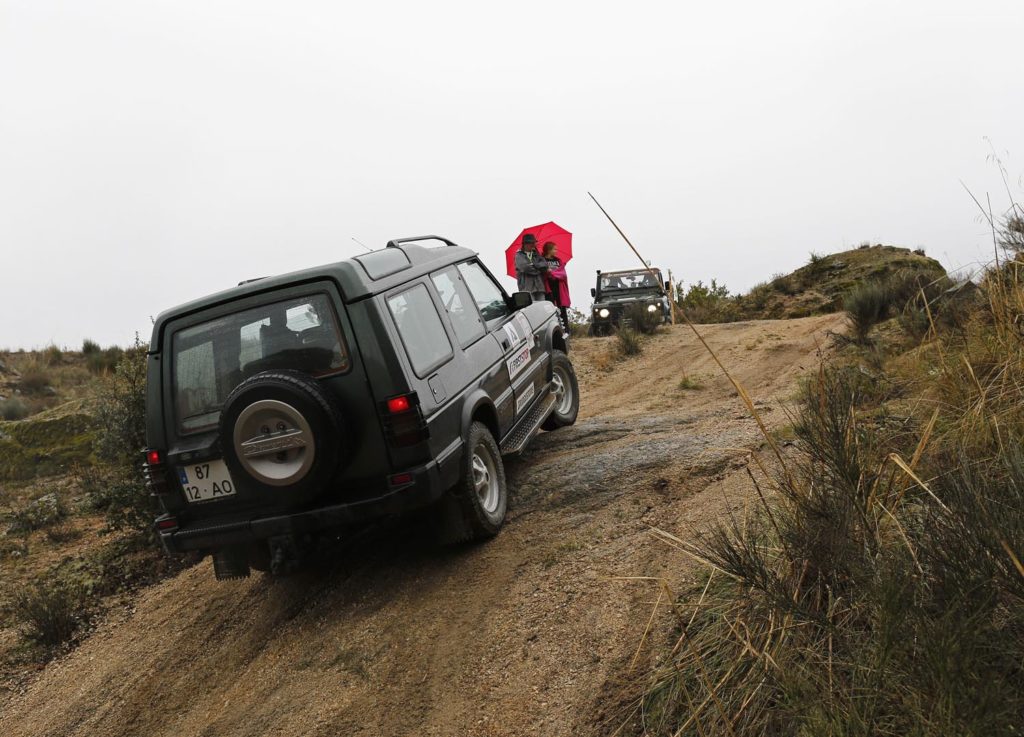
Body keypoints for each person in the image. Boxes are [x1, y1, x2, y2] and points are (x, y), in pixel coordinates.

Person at [542, 241, 571, 331]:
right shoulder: (542, 260)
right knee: (551, 308)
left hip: (559, 288)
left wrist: (552, 273)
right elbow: (542, 274)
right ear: (549, 250)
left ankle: (566, 330)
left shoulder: (558, 260)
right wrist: (548, 273)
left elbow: (563, 274)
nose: (556, 251)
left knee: (562, 308)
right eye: (554, 249)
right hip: (548, 288)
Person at [514, 233, 548, 302]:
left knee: (542, 308)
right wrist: (538, 269)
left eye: (534, 242)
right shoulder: (519, 255)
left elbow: (545, 265)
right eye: (531, 243)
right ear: (525, 244)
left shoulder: (537, 254)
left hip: (539, 287)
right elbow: (525, 268)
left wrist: (534, 265)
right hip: (526, 288)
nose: (533, 244)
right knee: (532, 308)